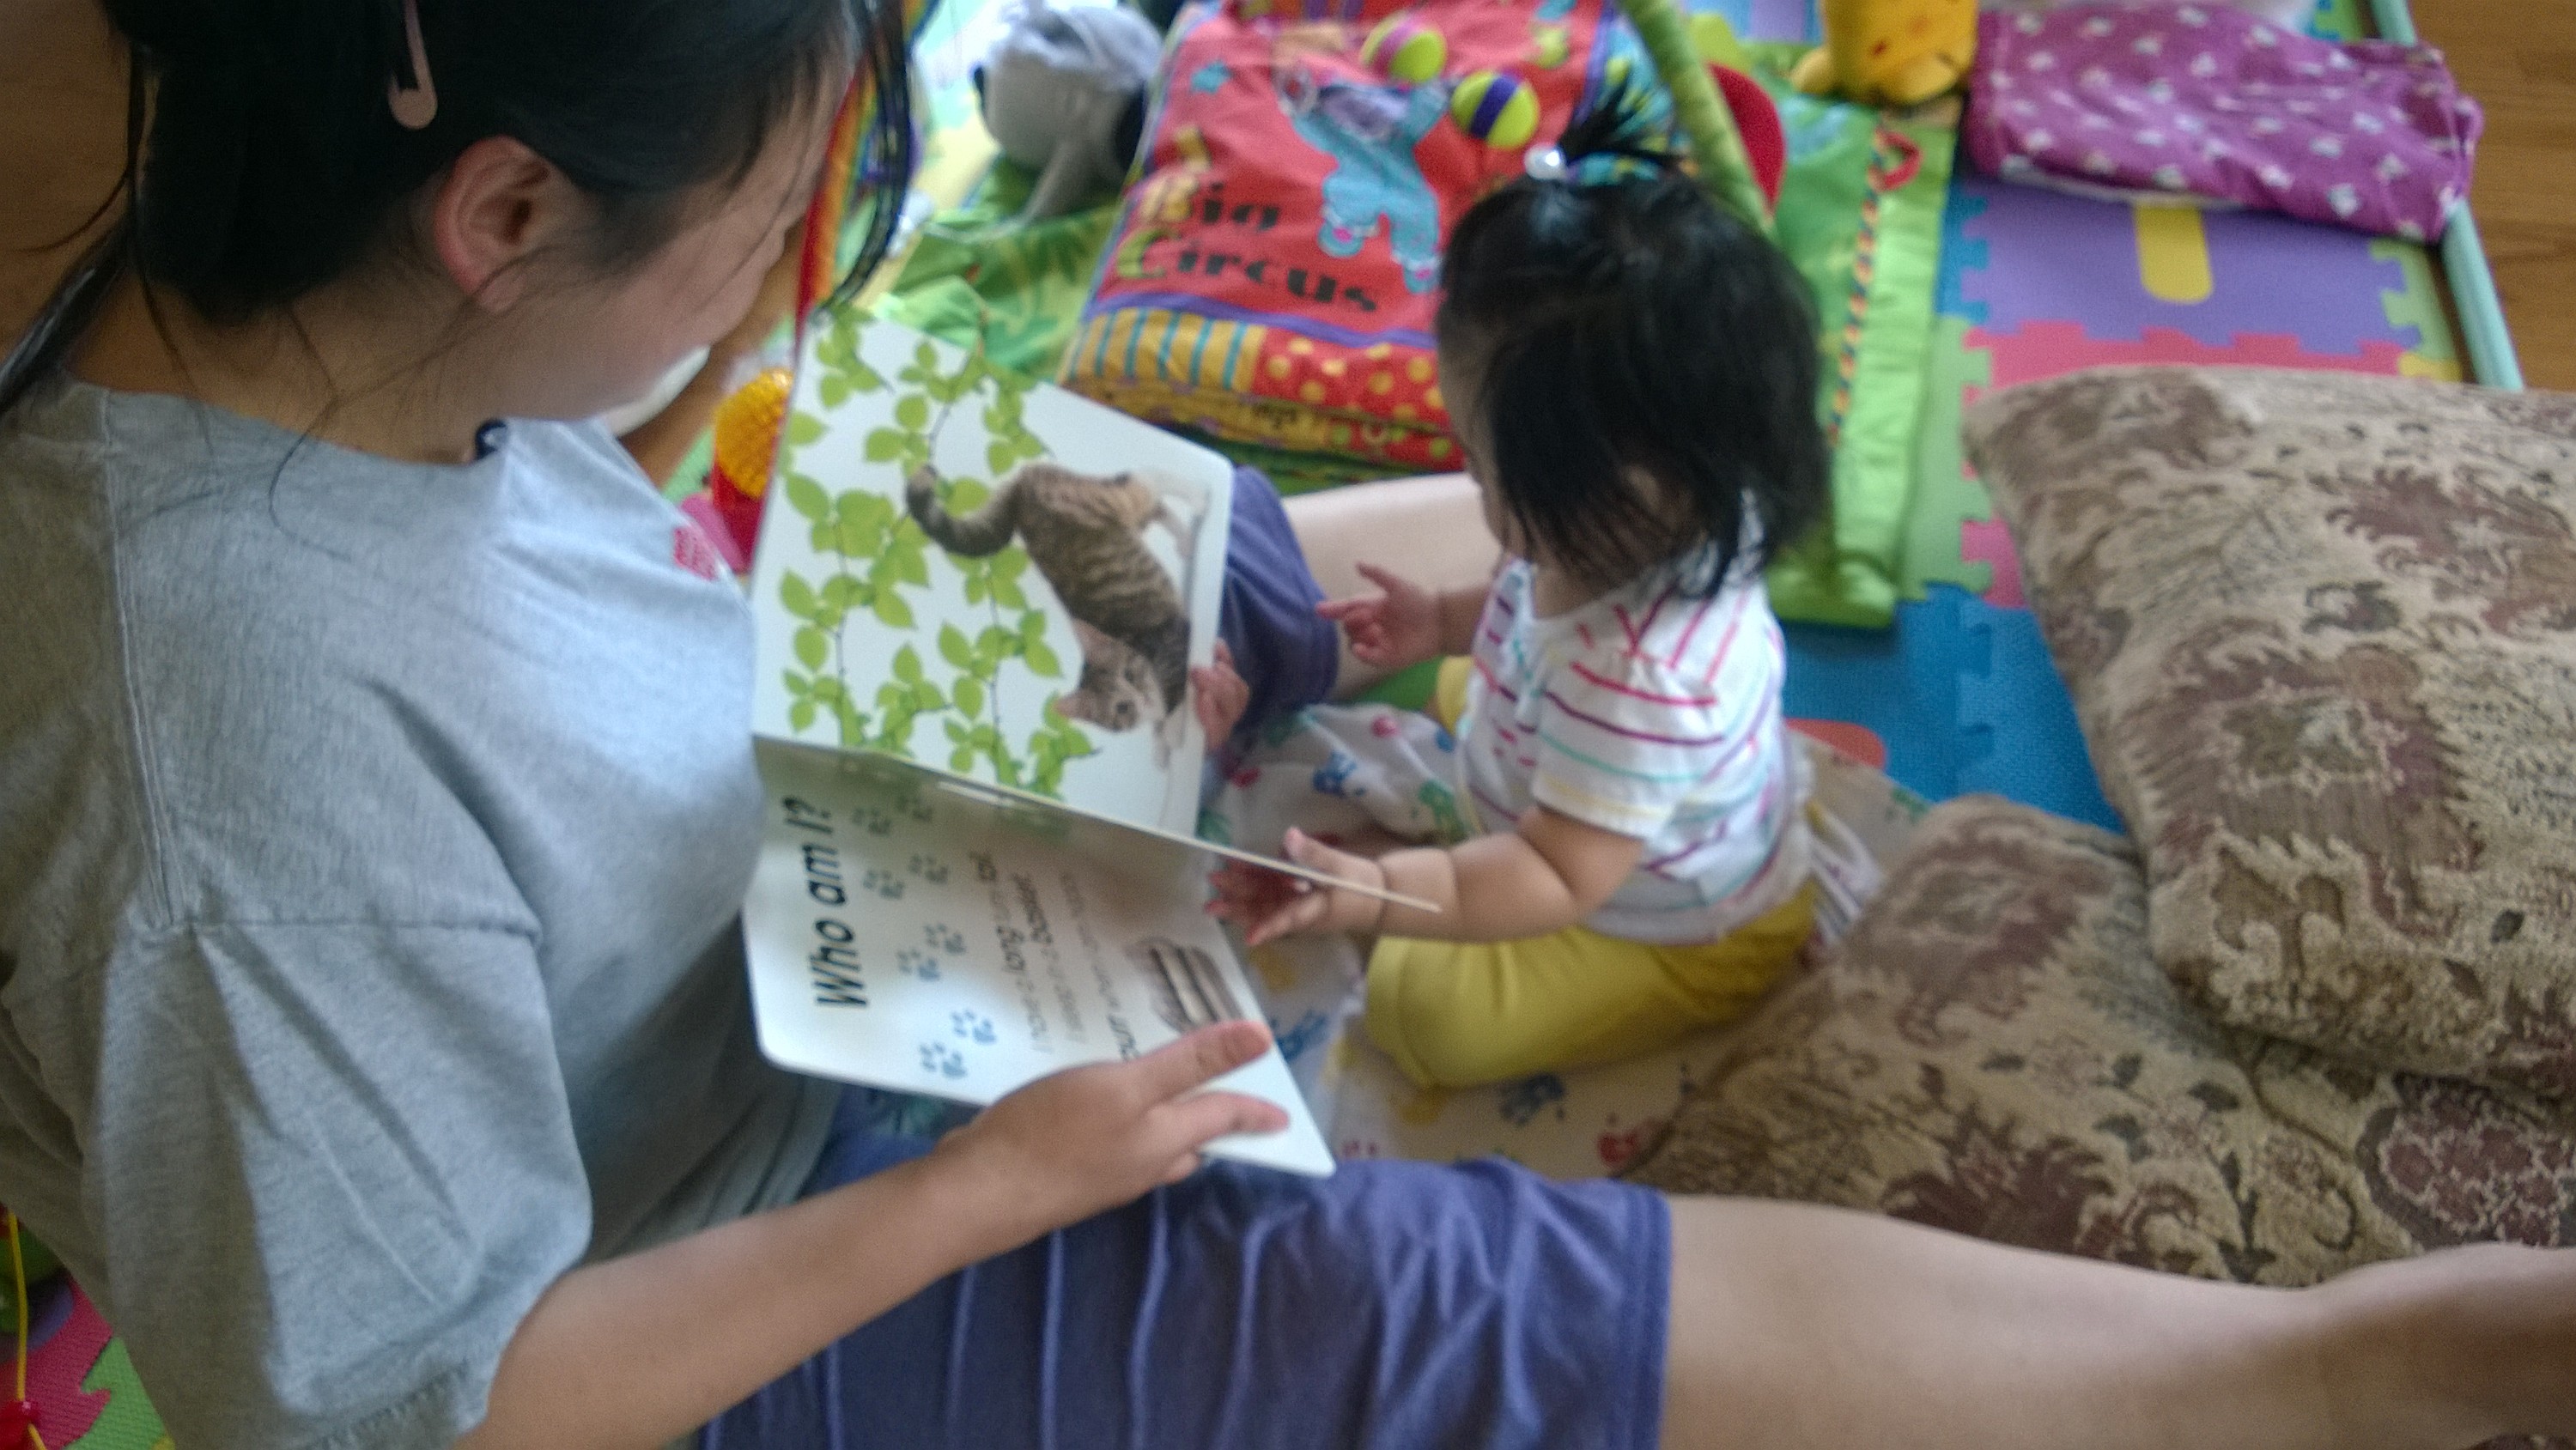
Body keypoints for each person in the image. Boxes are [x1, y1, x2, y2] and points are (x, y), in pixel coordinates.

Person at [1, 4, 2573, 1450]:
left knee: (1180, 525)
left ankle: (1230, 683)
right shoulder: (224, 792)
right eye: (760, 230)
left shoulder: (312, 318)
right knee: (1441, 1300)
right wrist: (987, 1189)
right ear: (503, 216)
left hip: (779, 920)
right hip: (709, 1278)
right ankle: (2328, 1371)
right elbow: (436, 1408)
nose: (777, 286)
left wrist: (1000, 641)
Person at [1205, 110, 1824, 1090]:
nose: (1470, 488)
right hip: (1588, 789)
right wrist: (1442, 619)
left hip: (1658, 921)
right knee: (1459, 685)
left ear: (1601, 505)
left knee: (1424, 1017)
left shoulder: (1635, 682)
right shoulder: (1662, 509)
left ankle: (1710, 966)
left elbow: (1555, 875)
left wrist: (1379, 889)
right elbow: (1519, 595)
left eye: (1483, 474)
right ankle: (1475, 819)